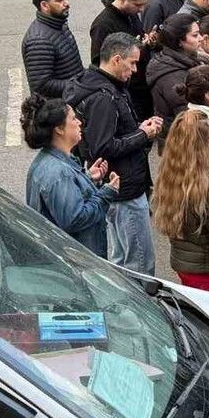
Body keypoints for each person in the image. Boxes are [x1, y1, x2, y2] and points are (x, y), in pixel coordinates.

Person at [64, 33, 163, 274]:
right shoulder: (104, 97)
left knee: (123, 259)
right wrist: (143, 136)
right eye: (133, 63)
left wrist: (138, 129)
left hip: (120, 187)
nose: (135, 69)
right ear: (117, 59)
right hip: (124, 190)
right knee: (138, 265)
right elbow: (103, 148)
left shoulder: (103, 86)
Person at [21, 95, 119, 256]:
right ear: (59, 129)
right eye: (73, 119)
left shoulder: (50, 161)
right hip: (77, 261)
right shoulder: (59, 173)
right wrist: (107, 192)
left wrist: (88, 178)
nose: (79, 122)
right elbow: (74, 219)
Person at [152, 110, 209, 293]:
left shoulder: (171, 173)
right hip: (208, 267)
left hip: (184, 261)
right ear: (201, 143)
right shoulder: (208, 185)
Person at [90, 0, 152, 114]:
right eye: (137, 5)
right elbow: (99, 63)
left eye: (143, 5)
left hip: (141, 87)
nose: (141, 10)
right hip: (126, 91)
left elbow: (137, 39)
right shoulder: (102, 25)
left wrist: (145, 42)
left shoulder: (131, 14)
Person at [146, 14, 204, 142]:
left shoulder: (184, 60)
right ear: (179, 42)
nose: (201, 38)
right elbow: (188, 116)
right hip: (181, 143)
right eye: (195, 35)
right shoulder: (172, 76)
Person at [22, 0, 83, 99]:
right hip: (58, 111)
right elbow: (42, 85)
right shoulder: (38, 41)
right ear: (44, 5)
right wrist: (80, 85)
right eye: (59, 0)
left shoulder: (60, 25)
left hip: (72, 99)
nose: (67, 3)